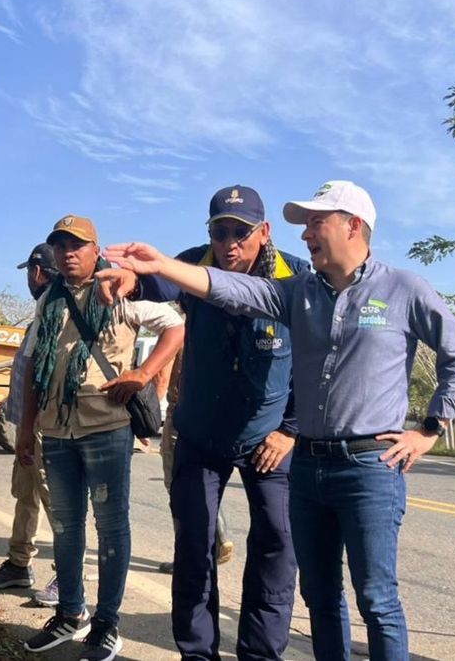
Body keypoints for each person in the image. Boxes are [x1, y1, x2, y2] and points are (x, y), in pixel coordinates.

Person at [104, 180, 455, 661]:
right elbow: (225, 287)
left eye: (316, 223)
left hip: (337, 457)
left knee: (367, 595)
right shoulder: (295, 290)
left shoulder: (393, 288)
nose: (305, 233)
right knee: (313, 593)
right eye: (220, 232)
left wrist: (429, 429)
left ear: (353, 226)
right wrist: (153, 268)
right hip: (267, 452)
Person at [99, 184, 307, 660]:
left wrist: (290, 430)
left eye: (241, 232)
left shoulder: (295, 276)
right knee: (195, 545)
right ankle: (197, 653)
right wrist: (132, 280)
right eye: (220, 231)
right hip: (200, 433)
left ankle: (261, 654)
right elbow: (158, 283)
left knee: (277, 545)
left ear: (264, 231)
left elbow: (313, 360)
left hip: (269, 438)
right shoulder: (195, 263)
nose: (229, 243)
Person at [18, 215, 184, 661]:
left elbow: (175, 327)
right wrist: (26, 429)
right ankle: (70, 613)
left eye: (77, 245)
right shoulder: (49, 300)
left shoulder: (119, 290)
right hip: (57, 429)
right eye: (60, 245)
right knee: (65, 526)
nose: (67, 252)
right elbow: (34, 366)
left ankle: (107, 624)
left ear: (96, 250)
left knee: (111, 526)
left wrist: (143, 374)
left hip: (106, 428)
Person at [0, 243, 64, 607]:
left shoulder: (59, 309)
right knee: (26, 495)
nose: (29, 278)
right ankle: (18, 564)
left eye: (29, 271)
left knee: (58, 503)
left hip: (46, 425)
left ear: (37, 272)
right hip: (29, 425)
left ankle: (68, 576)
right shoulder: (43, 310)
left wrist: (33, 425)